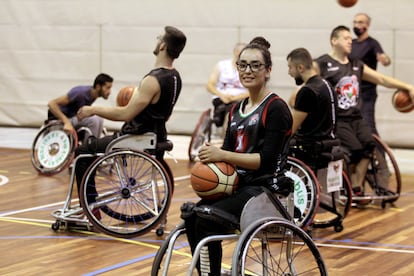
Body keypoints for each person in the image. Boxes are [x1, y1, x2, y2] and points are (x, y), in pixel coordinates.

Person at [182, 37, 293, 275]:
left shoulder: (276, 108)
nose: (247, 71)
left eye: (255, 65)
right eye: (242, 65)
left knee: (205, 218)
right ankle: (208, 272)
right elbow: (228, 155)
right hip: (239, 186)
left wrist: (223, 153)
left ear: (268, 70)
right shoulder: (235, 109)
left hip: (265, 190)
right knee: (191, 214)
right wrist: (211, 159)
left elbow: (266, 161)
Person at [75, 26, 186, 205]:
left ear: (163, 46)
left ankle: (89, 207)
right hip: (157, 134)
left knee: (82, 152)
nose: (157, 41)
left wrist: (93, 110)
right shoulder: (175, 77)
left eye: (159, 38)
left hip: (136, 136)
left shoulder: (153, 80)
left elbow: (125, 113)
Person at [314, 25, 414, 194]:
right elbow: (309, 85)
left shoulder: (356, 64)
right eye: (345, 38)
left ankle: (357, 186)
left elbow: (382, 79)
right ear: (334, 40)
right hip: (337, 119)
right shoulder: (322, 63)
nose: (349, 41)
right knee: (355, 150)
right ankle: (345, 185)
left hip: (356, 117)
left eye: (349, 38)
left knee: (369, 146)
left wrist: (407, 86)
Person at [286, 48, 338, 169]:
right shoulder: (327, 84)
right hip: (330, 142)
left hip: (311, 148)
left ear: (300, 68)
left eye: (290, 67)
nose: (289, 72)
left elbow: (291, 128)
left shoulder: (307, 91)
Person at [350, 12, 392, 135]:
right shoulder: (351, 43)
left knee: (368, 125)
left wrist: (385, 59)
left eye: (360, 22)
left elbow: (385, 59)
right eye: (355, 22)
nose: (356, 25)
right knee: (351, 125)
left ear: (367, 25)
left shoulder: (372, 44)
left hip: (367, 92)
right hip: (351, 92)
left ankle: (379, 153)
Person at [47, 73, 113, 138]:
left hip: (72, 118)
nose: (109, 91)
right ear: (98, 86)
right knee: (93, 120)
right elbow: (51, 104)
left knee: (99, 118)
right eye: (107, 88)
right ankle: (88, 147)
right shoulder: (80, 93)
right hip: (59, 120)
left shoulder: (94, 95)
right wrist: (66, 122)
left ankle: (94, 144)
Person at [206, 42, 249, 135]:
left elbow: (253, 90)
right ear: (235, 52)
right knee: (222, 112)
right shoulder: (222, 65)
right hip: (221, 98)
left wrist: (235, 98)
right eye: (239, 52)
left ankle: (225, 139)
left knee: (230, 113)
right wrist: (222, 96)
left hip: (239, 100)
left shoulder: (248, 68)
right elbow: (210, 85)